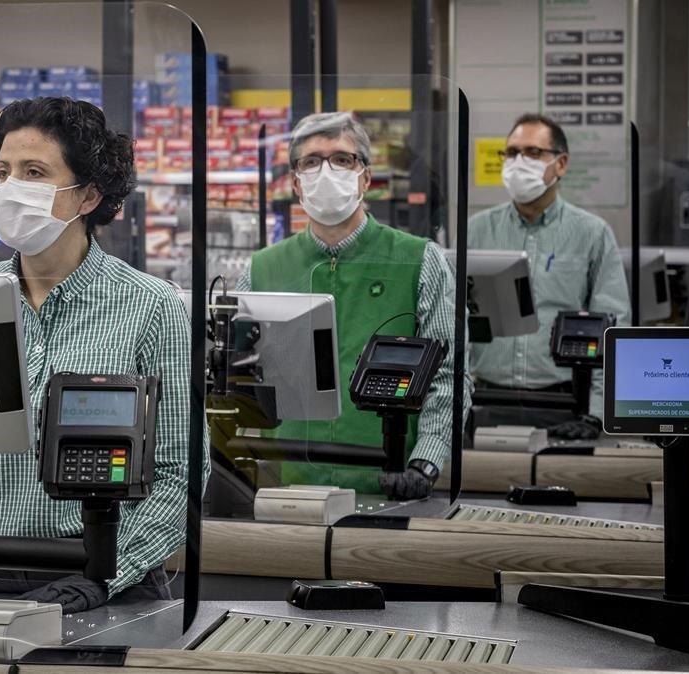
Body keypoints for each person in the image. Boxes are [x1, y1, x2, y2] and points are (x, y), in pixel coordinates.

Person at [0, 97, 207, 613]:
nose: (11, 188)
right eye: (4, 172)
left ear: (89, 194)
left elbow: (179, 472)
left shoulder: (150, 307)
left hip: (104, 585)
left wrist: (104, 575)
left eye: (34, 172)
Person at [237, 111, 463, 501]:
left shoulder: (419, 260)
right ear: (295, 182)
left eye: (342, 159)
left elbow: (449, 376)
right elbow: (237, 384)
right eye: (311, 161)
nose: (326, 172)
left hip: (389, 482)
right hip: (288, 487)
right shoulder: (261, 269)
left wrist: (424, 464)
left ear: (366, 178)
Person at [469, 113, 630, 439]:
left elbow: (613, 330)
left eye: (532, 152)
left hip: (564, 403)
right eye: (512, 153)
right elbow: (452, 323)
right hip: (485, 400)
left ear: (561, 164)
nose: (518, 163)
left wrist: (595, 414)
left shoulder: (592, 233)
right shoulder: (475, 230)